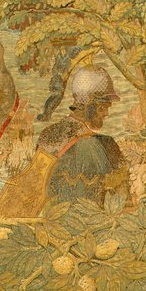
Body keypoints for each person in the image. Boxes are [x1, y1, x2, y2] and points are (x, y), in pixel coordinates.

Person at [35, 61, 130, 210]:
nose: (106, 113)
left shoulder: (46, 135)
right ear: (88, 104)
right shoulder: (103, 144)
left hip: (51, 216)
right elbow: (121, 199)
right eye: (102, 107)